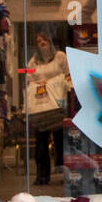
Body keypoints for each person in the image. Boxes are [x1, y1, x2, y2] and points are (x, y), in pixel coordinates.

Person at [28, 31, 70, 187]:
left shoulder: (60, 56)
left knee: (61, 141)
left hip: (58, 105)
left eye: (44, 40)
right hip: (41, 107)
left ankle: (65, 174)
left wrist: (51, 82)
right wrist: (38, 84)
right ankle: (42, 176)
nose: (41, 43)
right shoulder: (34, 62)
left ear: (50, 41)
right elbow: (28, 77)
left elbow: (68, 75)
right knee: (41, 143)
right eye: (38, 41)